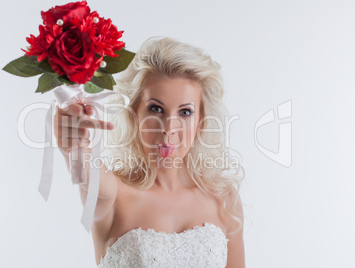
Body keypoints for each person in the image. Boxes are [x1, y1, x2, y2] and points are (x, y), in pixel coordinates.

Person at [54, 36, 245, 267]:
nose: (168, 129)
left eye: (185, 112)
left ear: (201, 120)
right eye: (156, 109)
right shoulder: (112, 195)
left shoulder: (224, 199)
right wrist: (72, 148)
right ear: (135, 114)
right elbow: (86, 175)